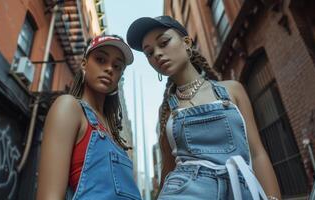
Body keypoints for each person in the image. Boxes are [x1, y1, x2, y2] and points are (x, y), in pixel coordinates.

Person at [127, 16, 281, 200]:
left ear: (186, 43)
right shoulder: (166, 110)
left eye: (164, 42)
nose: (157, 54)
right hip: (183, 192)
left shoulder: (232, 90)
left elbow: (256, 153)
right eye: (149, 53)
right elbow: (168, 168)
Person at [36, 35, 141, 200]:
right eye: (100, 59)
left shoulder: (114, 135)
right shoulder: (68, 107)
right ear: (84, 64)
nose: (109, 69)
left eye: (117, 66)